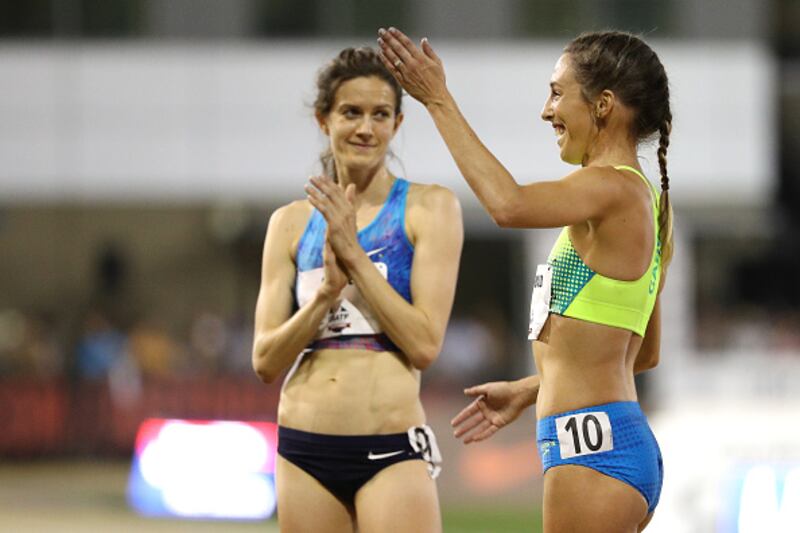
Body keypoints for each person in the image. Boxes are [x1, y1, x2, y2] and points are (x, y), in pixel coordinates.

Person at [377, 28, 673, 532]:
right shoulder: (647, 201)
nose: (546, 110)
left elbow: (507, 204)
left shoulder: (610, 188)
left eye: (558, 93)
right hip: (614, 442)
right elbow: (643, 353)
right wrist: (533, 387)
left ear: (603, 104)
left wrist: (438, 100)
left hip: (592, 453)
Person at [252, 46, 463, 533]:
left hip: (389, 447)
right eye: (351, 112)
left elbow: (425, 343)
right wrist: (326, 295)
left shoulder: (428, 210)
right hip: (304, 447)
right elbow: (264, 360)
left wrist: (354, 258)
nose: (365, 128)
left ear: (397, 122)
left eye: (380, 114)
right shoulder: (289, 224)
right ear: (323, 119)